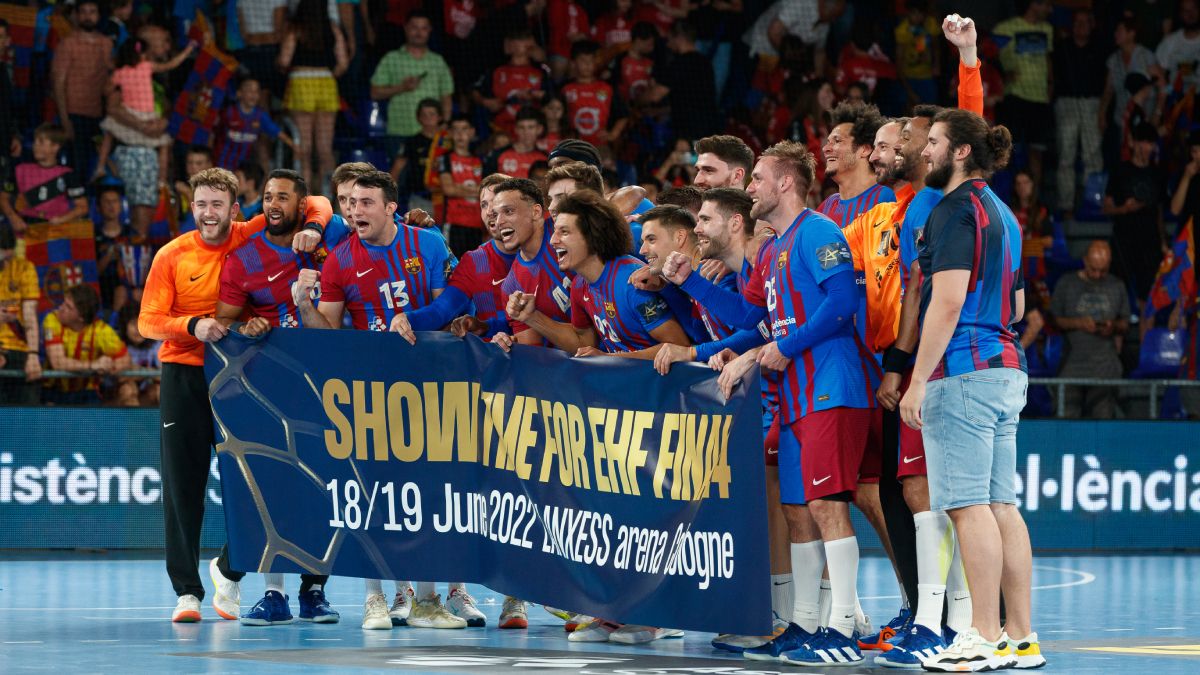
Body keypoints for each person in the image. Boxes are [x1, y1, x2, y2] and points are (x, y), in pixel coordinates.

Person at [662, 140, 877, 666]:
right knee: (796, 510)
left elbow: (845, 303)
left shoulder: (818, 232)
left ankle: (844, 626)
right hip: (797, 395)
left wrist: (781, 347)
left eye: (757, 178)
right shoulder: (775, 249)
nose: (749, 187)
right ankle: (804, 622)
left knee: (827, 507)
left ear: (784, 183)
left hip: (831, 384)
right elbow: (746, 318)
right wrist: (688, 281)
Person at [138, 167, 330, 623]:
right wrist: (193, 325)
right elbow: (147, 321)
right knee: (183, 487)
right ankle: (187, 593)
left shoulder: (252, 231)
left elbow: (317, 201)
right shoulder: (172, 255)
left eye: (217, 205)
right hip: (184, 374)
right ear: (192, 208)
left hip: (243, 375)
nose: (209, 213)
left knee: (257, 480)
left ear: (233, 209)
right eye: (201, 204)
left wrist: (313, 229)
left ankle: (233, 569)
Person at [899, 108, 1045, 671]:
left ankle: (980, 635)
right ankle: (1020, 637)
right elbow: (1020, 305)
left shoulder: (954, 210)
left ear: (961, 152)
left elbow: (950, 300)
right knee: (1002, 505)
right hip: (1007, 368)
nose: (925, 150)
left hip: (962, 373)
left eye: (933, 142)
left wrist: (915, 382)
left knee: (967, 508)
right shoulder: (1005, 214)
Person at [293, 170, 468, 631]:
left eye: (366, 202)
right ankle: (375, 598)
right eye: (349, 204)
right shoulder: (338, 260)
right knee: (372, 494)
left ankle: (429, 600)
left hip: (429, 386)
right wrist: (305, 305)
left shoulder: (427, 244)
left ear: (390, 207)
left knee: (433, 492)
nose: (354, 211)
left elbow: (447, 310)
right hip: (367, 391)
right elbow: (327, 335)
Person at [211, 170, 345, 625]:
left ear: (301, 204)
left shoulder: (331, 237)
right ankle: (273, 594)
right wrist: (245, 327)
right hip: (271, 385)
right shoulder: (242, 258)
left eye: (282, 197)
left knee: (321, 487)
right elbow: (222, 324)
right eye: (267, 196)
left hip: (328, 381)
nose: (272, 204)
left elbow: (365, 214)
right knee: (276, 484)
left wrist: (419, 222)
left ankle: (315, 592)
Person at [94, 37, 196, 183]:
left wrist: (117, 90)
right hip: (147, 117)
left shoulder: (120, 73)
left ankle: (100, 166)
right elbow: (171, 64)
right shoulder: (147, 66)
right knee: (164, 145)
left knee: (109, 135)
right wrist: (187, 51)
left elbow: (105, 91)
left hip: (130, 114)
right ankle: (162, 181)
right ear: (140, 55)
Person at [1050, 241, 1130, 419]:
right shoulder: (1067, 283)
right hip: (1072, 364)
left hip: (1105, 367)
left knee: (1102, 423)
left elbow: (1125, 323)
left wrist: (1113, 326)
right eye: (1094, 269)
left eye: (1103, 270)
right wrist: (1079, 323)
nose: (1098, 274)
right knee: (1066, 419)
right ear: (1085, 261)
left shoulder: (1117, 285)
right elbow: (1054, 320)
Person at [278, 0, 348, 193]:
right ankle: (335, 199)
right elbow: (343, 63)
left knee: (304, 149)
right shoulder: (333, 28)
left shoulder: (296, 29)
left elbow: (284, 59)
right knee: (325, 149)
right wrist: (329, 75)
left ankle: (305, 198)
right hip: (326, 84)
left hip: (301, 84)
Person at [370, 10, 454, 159]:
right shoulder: (392, 58)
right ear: (406, 28)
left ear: (429, 31)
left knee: (430, 180)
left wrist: (445, 124)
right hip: (399, 131)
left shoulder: (438, 61)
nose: (419, 32)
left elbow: (446, 96)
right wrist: (401, 87)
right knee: (398, 179)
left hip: (430, 134)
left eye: (423, 28)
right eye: (414, 27)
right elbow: (375, 92)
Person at [1104, 122, 1166, 306]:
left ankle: (1145, 334)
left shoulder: (1159, 173)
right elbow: (1106, 207)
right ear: (1132, 142)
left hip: (1150, 242)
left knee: (1147, 297)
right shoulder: (1120, 171)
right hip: (1124, 240)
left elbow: (1160, 212)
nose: (1145, 147)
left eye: (1149, 143)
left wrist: (1163, 242)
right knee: (1117, 291)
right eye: (1141, 141)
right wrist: (1124, 209)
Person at [993, 0, 1053, 188]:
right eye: (1045, 5)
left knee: (1037, 153)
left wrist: (1051, 85)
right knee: (1010, 151)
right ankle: (1009, 203)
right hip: (1015, 97)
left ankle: (1033, 207)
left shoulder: (1047, 29)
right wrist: (1002, 74)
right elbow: (988, 56)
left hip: (1040, 98)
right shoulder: (1004, 29)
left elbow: (1048, 60)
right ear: (1034, 4)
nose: (1049, 9)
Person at [42, 283, 131, 405]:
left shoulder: (102, 331)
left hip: (87, 392)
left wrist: (107, 367)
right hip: (54, 390)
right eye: (63, 302)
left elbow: (125, 359)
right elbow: (57, 362)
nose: (61, 308)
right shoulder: (51, 320)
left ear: (81, 318)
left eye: (68, 307)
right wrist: (93, 365)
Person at [51, 0, 113, 176]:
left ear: (99, 16)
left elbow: (113, 77)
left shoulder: (106, 44)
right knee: (76, 168)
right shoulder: (67, 44)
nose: (88, 16)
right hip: (74, 114)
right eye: (84, 12)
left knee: (97, 169)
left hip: (99, 114)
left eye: (92, 11)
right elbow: (58, 83)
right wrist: (64, 120)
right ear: (77, 16)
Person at [1053, 10, 1106, 214]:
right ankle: (1066, 204)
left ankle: (1092, 203)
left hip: (1092, 102)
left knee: (1093, 156)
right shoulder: (1061, 48)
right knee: (1066, 155)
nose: (1081, 26)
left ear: (1092, 25)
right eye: (1077, 22)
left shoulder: (1100, 48)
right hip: (1067, 102)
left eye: (1085, 22)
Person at [0, 123, 88, 233]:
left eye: (41, 142)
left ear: (55, 147)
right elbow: (3, 198)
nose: (35, 146)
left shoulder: (67, 175)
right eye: (35, 141)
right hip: (25, 231)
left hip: (54, 233)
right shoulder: (20, 170)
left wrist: (61, 219)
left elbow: (82, 207)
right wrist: (13, 218)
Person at [474, 28, 549, 137]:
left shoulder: (541, 71)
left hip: (531, 131)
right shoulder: (497, 70)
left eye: (522, 40)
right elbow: (475, 91)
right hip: (499, 130)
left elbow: (553, 98)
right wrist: (486, 102)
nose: (515, 44)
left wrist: (539, 95)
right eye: (514, 40)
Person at [214, 76, 298, 171]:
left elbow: (277, 132)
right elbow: (212, 133)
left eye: (257, 91)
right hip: (221, 163)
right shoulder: (228, 113)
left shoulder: (260, 116)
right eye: (250, 91)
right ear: (239, 94)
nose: (254, 95)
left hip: (244, 167)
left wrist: (295, 147)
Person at [0, 226, 42, 404]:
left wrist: (33, 355)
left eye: (9, 257)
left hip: (18, 348)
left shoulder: (24, 268)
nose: (7, 264)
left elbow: (30, 314)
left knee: (28, 404)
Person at [563, 41, 627, 147]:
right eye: (583, 61)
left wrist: (613, 134)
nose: (588, 65)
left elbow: (623, 115)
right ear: (573, 63)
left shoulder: (607, 88)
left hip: (599, 146)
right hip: (573, 146)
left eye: (591, 61)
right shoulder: (565, 88)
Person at [439, 116, 485, 257]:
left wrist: (458, 187)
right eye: (456, 130)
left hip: (477, 224)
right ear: (450, 134)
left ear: (472, 132)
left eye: (464, 129)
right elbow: (448, 189)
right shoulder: (444, 158)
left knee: (474, 268)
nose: (460, 134)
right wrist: (476, 190)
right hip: (454, 224)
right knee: (452, 268)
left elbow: (486, 191)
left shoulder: (481, 160)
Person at [115, 301, 160, 407]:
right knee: (128, 389)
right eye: (132, 324)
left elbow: (163, 375)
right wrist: (149, 373)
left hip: (146, 393)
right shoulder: (118, 345)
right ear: (124, 326)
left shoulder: (156, 345)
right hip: (119, 395)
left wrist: (136, 370)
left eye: (141, 324)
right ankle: (133, 424)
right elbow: (120, 377)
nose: (138, 329)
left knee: (160, 390)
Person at [494, 107, 550, 179]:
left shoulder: (545, 158)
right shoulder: (498, 155)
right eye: (521, 127)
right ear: (516, 129)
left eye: (531, 127)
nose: (526, 132)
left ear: (539, 129)